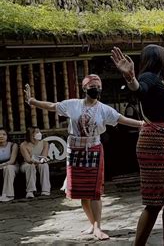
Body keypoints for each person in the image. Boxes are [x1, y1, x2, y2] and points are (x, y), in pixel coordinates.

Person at [24, 74, 143, 240]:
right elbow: (52, 106)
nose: (96, 88)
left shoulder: (103, 109)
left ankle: (98, 227)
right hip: (75, 150)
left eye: (98, 86)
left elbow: (120, 119)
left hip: (93, 148)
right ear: (85, 88)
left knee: (95, 192)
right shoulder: (73, 105)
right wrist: (32, 101)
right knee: (82, 192)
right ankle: (92, 223)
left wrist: (141, 124)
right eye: (92, 85)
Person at [111, 45, 164, 246]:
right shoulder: (148, 77)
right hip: (154, 142)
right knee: (157, 201)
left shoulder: (159, 81)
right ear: (161, 59)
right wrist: (130, 78)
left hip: (161, 141)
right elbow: (139, 90)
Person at [19, 127, 51, 198]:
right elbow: (28, 159)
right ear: (31, 134)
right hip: (27, 164)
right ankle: (30, 191)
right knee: (30, 166)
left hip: (39, 162)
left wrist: (41, 161)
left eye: (39, 132)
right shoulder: (23, 145)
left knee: (44, 165)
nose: (39, 134)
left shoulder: (45, 143)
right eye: (37, 132)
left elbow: (43, 157)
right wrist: (34, 161)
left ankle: (45, 190)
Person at [0, 128, 19, 202]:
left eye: (4, 134)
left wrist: (2, 165)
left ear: (7, 136)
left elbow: (12, 161)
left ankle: (8, 195)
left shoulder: (13, 145)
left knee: (8, 168)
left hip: (12, 166)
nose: (1, 136)